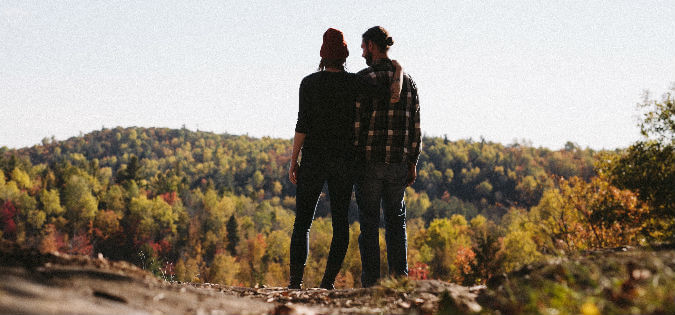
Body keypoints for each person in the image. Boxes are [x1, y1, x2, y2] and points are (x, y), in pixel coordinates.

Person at [287, 28, 402, 290]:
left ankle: (295, 283)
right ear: (345, 55)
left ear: (322, 55)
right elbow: (389, 93)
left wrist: (293, 159)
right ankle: (327, 283)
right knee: (341, 223)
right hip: (344, 162)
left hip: (314, 159)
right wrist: (398, 68)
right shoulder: (355, 83)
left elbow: (302, 124)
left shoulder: (309, 83)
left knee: (302, 223)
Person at [354, 26, 421, 287]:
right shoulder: (409, 82)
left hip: (369, 163)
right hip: (397, 164)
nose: (362, 53)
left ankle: (371, 284)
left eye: (363, 47)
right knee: (396, 223)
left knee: (369, 224)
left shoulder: (363, 79)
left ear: (371, 45)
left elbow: (357, 125)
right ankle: (398, 282)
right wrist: (412, 161)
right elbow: (415, 125)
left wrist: (355, 157)